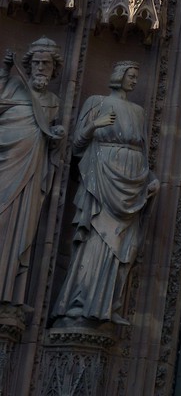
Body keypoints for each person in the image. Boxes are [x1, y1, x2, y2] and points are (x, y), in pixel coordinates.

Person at [53, 63, 160, 325]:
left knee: (127, 244)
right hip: (101, 179)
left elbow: (143, 151)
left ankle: (109, 304)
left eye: (136, 77)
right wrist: (94, 125)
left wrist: (150, 179)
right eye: (130, 76)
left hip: (132, 184)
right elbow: (77, 145)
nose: (134, 81)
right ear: (118, 75)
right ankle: (81, 303)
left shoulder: (138, 112)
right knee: (96, 238)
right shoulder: (96, 102)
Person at [0, 38, 63, 304]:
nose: (40, 68)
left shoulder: (52, 101)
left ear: (53, 69)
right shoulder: (14, 87)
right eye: (36, 63)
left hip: (31, 169)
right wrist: (5, 71)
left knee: (21, 227)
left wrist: (56, 134)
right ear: (27, 65)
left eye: (45, 64)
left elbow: (51, 134)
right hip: (7, 163)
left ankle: (7, 291)